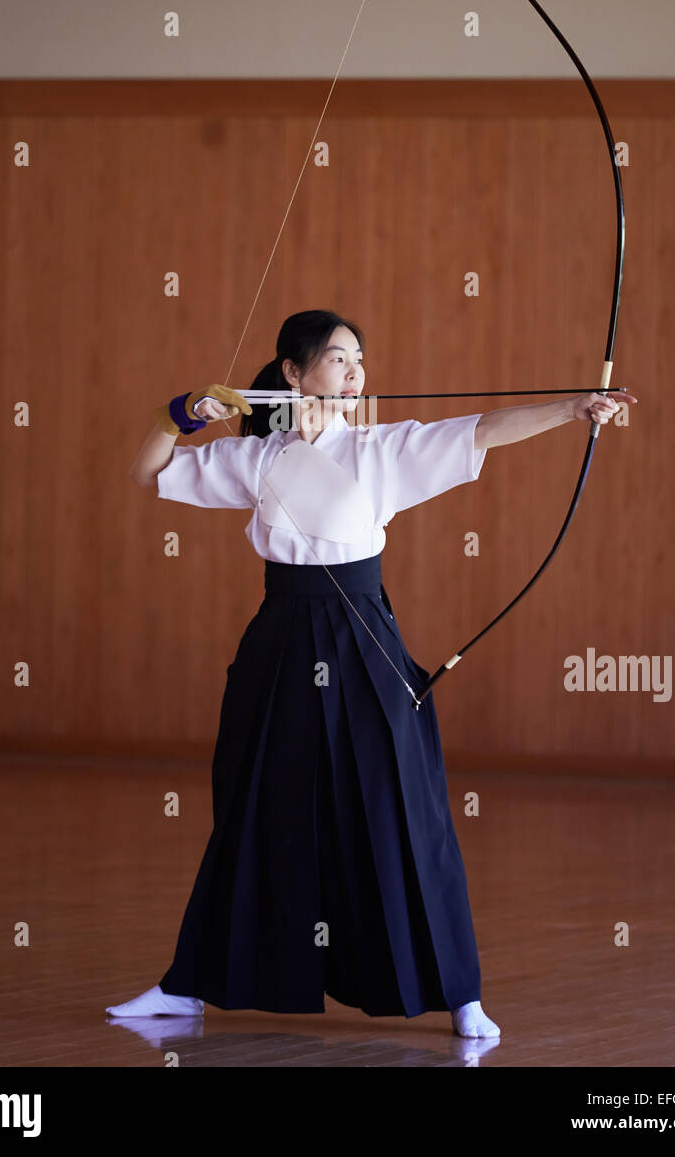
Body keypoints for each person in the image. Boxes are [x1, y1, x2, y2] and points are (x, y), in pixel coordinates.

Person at [108, 308, 636, 1038]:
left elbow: (481, 430)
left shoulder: (383, 450)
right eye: (336, 358)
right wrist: (182, 412)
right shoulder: (259, 456)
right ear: (292, 373)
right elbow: (148, 470)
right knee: (252, 803)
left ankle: (460, 993)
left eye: (359, 360)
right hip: (281, 641)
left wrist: (574, 408)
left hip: (361, 639)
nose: (354, 373)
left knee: (402, 807)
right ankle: (188, 984)